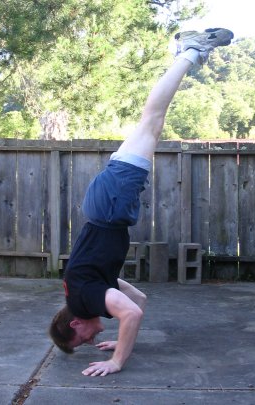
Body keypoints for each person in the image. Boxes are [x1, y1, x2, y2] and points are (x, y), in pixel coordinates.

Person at [49, 28, 234, 377]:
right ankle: (189, 52)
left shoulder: (84, 299)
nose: (91, 341)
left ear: (75, 324)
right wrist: (119, 340)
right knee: (154, 121)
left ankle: (190, 51)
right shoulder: (87, 290)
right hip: (107, 205)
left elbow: (131, 313)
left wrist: (117, 359)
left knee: (152, 119)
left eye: (84, 340)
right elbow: (139, 303)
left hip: (110, 205)